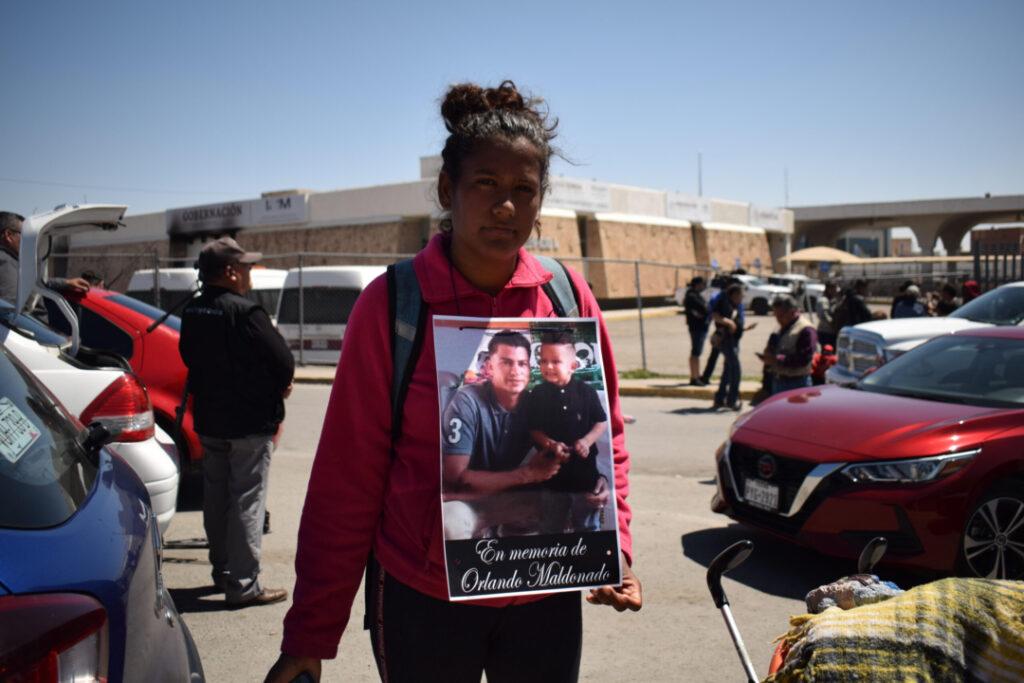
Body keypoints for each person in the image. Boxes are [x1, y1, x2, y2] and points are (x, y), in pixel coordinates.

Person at [266, 81, 640, 683]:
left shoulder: (565, 296)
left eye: (524, 190)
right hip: (423, 603)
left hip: (545, 597)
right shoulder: (393, 307)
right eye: (486, 185)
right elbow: (346, 478)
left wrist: (613, 545)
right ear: (448, 189)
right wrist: (311, 633)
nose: (507, 208)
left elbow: (610, 437)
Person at [179, 236, 294, 609]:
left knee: (216, 498)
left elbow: (188, 355)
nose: (249, 274)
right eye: (245, 268)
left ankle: (223, 570)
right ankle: (243, 584)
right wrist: (278, 385)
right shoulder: (246, 313)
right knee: (247, 500)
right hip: (248, 423)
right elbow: (282, 361)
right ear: (230, 272)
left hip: (211, 419)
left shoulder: (194, 311)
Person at [439, 330, 566, 538]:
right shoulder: (467, 401)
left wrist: (601, 479)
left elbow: (566, 450)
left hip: (510, 499)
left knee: (565, 505)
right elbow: (456, 476)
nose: (515, 371)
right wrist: (526, 475)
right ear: (489, 366)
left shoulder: (537, 403)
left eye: (522, 364)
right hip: (466, 499)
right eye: (506, 362)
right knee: (451, 522)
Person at [525, 330, 609, 534]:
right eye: (543, 361)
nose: (548, 367)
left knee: (587, 526)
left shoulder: (586, 392)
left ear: (573, 366)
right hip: (552, 478)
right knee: (550, 527)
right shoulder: (538, 394)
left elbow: (601, 422)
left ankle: (586, 562)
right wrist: (550, 444)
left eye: (555, 361)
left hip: (584, 477)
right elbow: (534, 429)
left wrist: (587, 441)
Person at [1, 210, 91, 305]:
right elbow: (9, 312)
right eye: (24, 235)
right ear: (9, 235)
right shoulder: (4, 262)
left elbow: (36, 282)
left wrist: (66, 283)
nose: (29, 241)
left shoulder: (11, 260)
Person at [761, 294, 817, 395]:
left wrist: (777, 359)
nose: (778, 319)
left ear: (792, 312)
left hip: (797, 384)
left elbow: (804, 359)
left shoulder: (806, 329)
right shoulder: (782, 326)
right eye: (776, 316)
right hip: (778, 380)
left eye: (781, 316)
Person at [711, 283, 745, 411]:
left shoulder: (734, 305)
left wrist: (743, 328)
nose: (742, 297)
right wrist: (729, 322)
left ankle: (720, 398)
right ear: (735, 294)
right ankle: (732, 400)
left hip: (732, 341)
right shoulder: (725, 303)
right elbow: (715, 316)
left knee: (727, 371)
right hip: (728, 342)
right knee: (736, 371)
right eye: (741, 295)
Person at [682, 276, 709, 386]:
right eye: (702, 284)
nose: (704, 286)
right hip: (696, 328)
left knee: (697, 352)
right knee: (696, 352)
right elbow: (704, 309)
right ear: (697, 284)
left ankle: (697, 375)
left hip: (700, 327)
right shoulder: (691, 296)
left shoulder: (695, 295)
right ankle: (694, 377)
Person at [815, 280, 840, 348]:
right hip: (826, 333)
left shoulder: (832, 300)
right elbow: (824, 315)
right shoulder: (823, 300)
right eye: (834, 289)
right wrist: (834, 324)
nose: (835, 291)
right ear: (829, 289)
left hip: (831, 332)